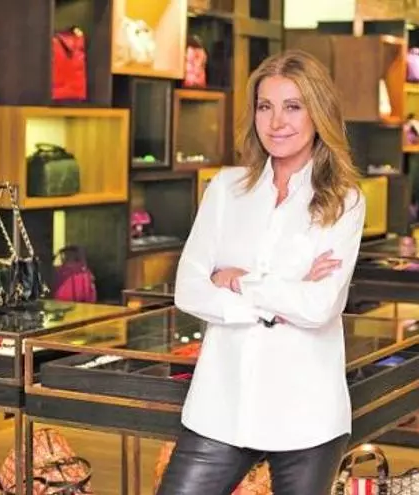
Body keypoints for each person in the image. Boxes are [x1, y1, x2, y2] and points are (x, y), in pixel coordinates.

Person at [157, 50, 366, 495]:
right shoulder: (225, 189)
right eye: (265, 106)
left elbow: (319, 307)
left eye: (293, 106)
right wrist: (279, 299)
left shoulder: (343, 200)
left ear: (318, 113)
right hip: (222, 405)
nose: (276, 122)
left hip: (306, 414)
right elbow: (188, 290)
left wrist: (238, 280)